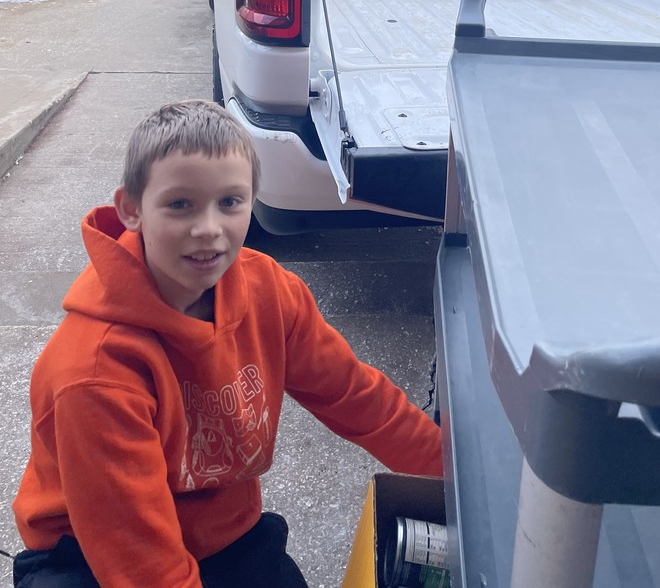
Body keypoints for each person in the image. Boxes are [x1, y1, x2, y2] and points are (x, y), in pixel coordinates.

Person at [12, 100, 442, 588]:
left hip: (222, 533)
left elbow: (357, 399)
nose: (209, 229)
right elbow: (138, 561)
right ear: (131, 209)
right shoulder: (95, 371)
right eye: (180, 204)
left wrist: (455, 473)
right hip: (88, 554)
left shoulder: (270, 293)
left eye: (230, 202)